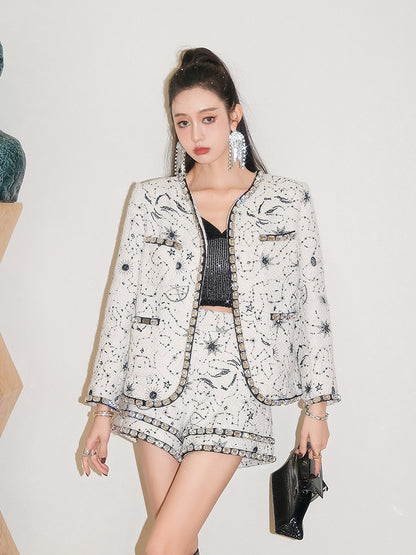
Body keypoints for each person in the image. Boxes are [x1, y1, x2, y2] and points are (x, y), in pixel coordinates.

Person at [81, 47, 340, 555]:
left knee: (160, 546)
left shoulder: (287, 200)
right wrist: (102, 410)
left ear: (233, 116)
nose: (195, 135)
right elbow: (121, 304)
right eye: (182, 123)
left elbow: (313, 307)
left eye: (208, 118)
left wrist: (318, 408)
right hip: (153, 381)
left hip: (237, 385)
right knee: (174, 543)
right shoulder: (151, 200)